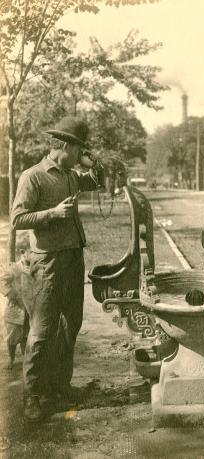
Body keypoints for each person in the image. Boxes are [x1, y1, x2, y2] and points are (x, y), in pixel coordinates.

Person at [11, 116, 104, 422]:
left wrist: (93, 163)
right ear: (65, 145)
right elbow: (17, 219)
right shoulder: (33, 176)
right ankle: (34, 395)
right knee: (42, 329)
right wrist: (52, 213)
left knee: (69, 324)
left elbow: (100, 180)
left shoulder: (70, 175)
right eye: (79, 149)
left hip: (72, 259)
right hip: (47, 263)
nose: (81, 154)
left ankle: (60, 387)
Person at [0, 245, 32, 370]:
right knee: (12, 336)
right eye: (31, 253)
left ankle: (26, 359)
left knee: (26, 335)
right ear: (23, 253)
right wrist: (10, 293)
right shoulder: (14, 268)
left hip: (29, 308)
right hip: (15, 307)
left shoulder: (35, 268)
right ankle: (11, 357)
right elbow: (2, 280)